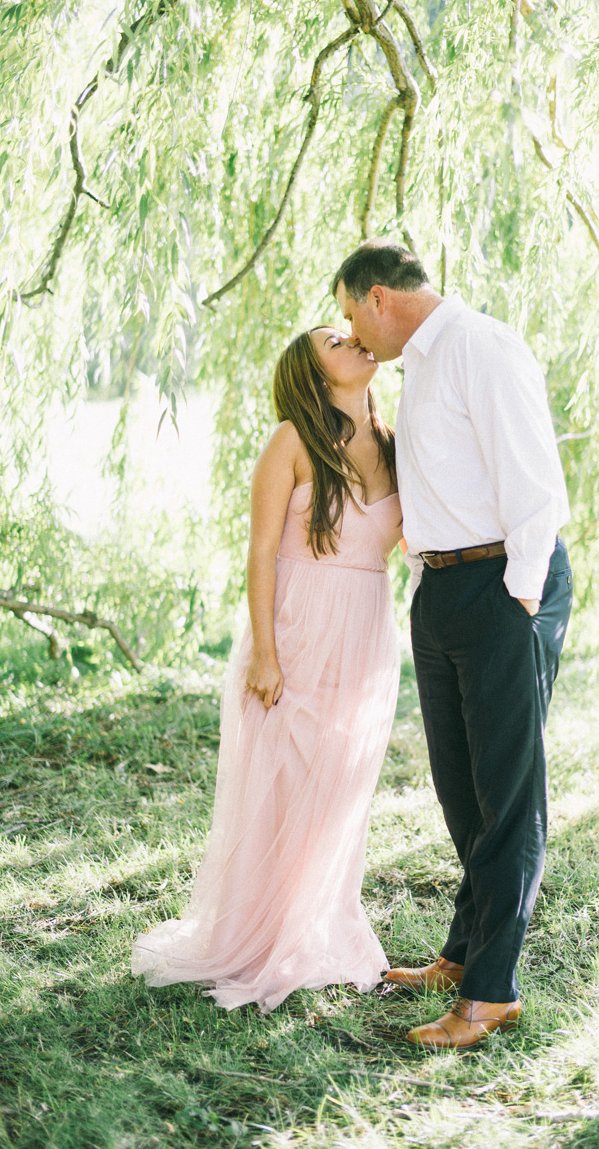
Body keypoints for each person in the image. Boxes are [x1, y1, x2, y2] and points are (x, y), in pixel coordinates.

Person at [332, 242, 572, 1049]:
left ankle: (491, 992)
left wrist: (522, 600)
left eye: (349, 318)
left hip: (502, 587)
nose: (354, 337)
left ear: (377, 298)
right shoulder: (419, 365)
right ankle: (461, 954)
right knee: (460, 789)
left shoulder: (482, 346)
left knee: (507, 795)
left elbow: (536, 486)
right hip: (441, 592)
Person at [132, 326, 402, 1013]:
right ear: (314, 375)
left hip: (366, 630)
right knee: (284, 780)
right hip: (296, 627)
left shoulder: (396, 444)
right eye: (336, 342)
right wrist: (265, 652)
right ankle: (264, 937)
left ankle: (316, 926)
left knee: (339, 784)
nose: (356, 343)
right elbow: (259, 552)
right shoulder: (291, 441)